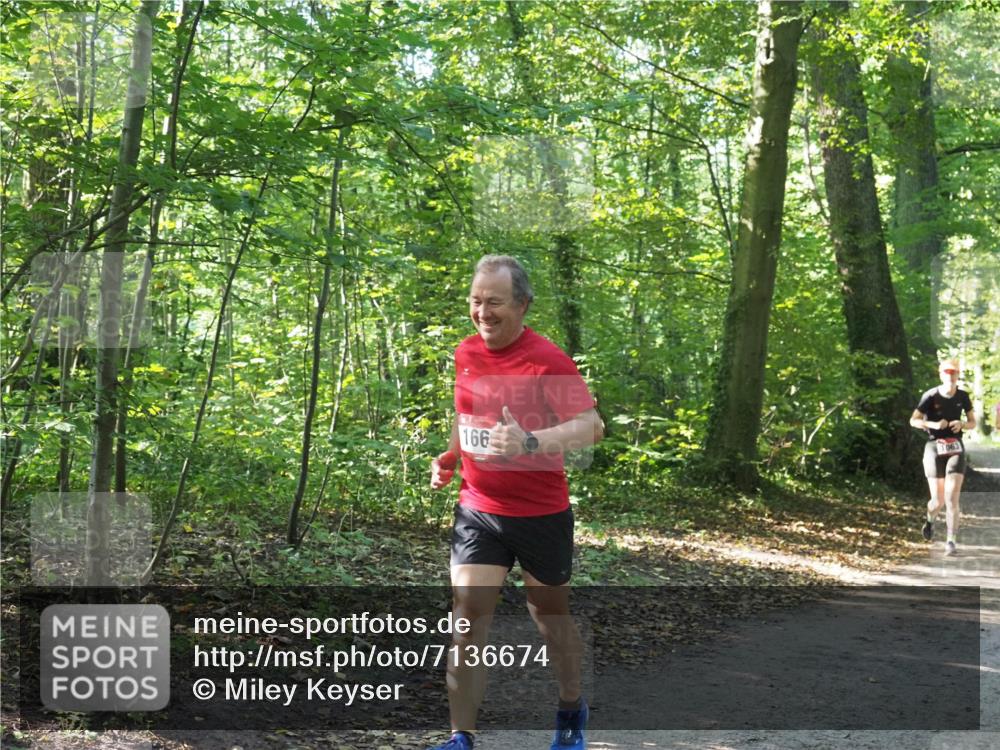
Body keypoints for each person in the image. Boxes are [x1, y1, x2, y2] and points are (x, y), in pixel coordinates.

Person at [427, 255, 604, 750]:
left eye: (495, 302)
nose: (483, 312)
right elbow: (468, 417)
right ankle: (461, 737)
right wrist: (452, 456)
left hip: (541, 514)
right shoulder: (465, 353)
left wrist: (531, 441)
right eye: (476, 301)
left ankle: (571, 712)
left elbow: (593, 426)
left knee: (550, 621)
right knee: (467, 617)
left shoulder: (547, 359)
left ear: (522, 304)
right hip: (479, 509)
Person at [909, 358, 976, 556]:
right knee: (937, 501)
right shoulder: (930, 395)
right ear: (941, 374)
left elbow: (973, 422)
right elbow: (913, 420)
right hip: (934, 447)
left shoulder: (963, 396)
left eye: (953, 372)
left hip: (955, 447)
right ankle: (930, 520)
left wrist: (962, 424)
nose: (950, 375)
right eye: (947, 372)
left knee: (951, 498)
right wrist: (933, 425)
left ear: (958, 375)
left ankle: (951, 541)